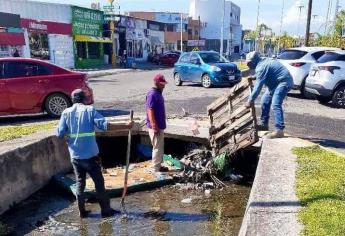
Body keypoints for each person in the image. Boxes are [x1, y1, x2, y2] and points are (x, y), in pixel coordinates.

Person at [56, 89, 133, 218]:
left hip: (75, 156)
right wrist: (126, 125)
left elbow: (59, 133)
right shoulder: (89, 110)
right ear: (84, 99)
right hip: (91, 156)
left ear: (72, 100)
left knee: (80, 183)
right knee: (99, 184)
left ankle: (82, 212)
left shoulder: (66, 113)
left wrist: (67, 137)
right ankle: (106, 211)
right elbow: (105, 125)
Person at [245, 51, 293, 139]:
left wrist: (250, 100)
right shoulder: (262, 61)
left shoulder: (261, 67)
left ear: (254, 61)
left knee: (276, 104)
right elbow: (265, 72)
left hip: (283, 82)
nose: (248, 65)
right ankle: (264, 124)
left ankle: (279, 130)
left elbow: (257, 88)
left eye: (249, 63)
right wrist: (255, 77)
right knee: (265, 100)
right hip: (275, 84)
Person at [146, 74, 169, 173]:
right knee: (157, 147)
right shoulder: (152, 94)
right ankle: (155, 168)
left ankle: (158, 165)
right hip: (155, 126)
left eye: (164, 83)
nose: (164, 86)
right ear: (157, 83)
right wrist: (154, 125)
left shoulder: (158, 93)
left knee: (160, 146)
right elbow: (150, 110)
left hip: (160, 125)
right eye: (162, 84)